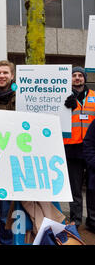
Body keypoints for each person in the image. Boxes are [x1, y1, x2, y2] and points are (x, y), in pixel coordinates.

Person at [64, 66, 95, 231]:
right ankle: (75, 220)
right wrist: (64, 107)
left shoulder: (94, 97)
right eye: (74, 75)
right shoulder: (65, 98)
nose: (77, 78)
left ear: (85, 78)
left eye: (80, 76)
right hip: (72, 148)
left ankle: (93, 220)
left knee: (93, 187)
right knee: (75, 188)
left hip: (92, 149)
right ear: (71, 79)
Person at [0, 60, 16, 245]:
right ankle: (6, 242)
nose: (1, 75)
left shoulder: (24, 97)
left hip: (20, 159)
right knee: (5, 211)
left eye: (5, 72)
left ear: (12, 76)